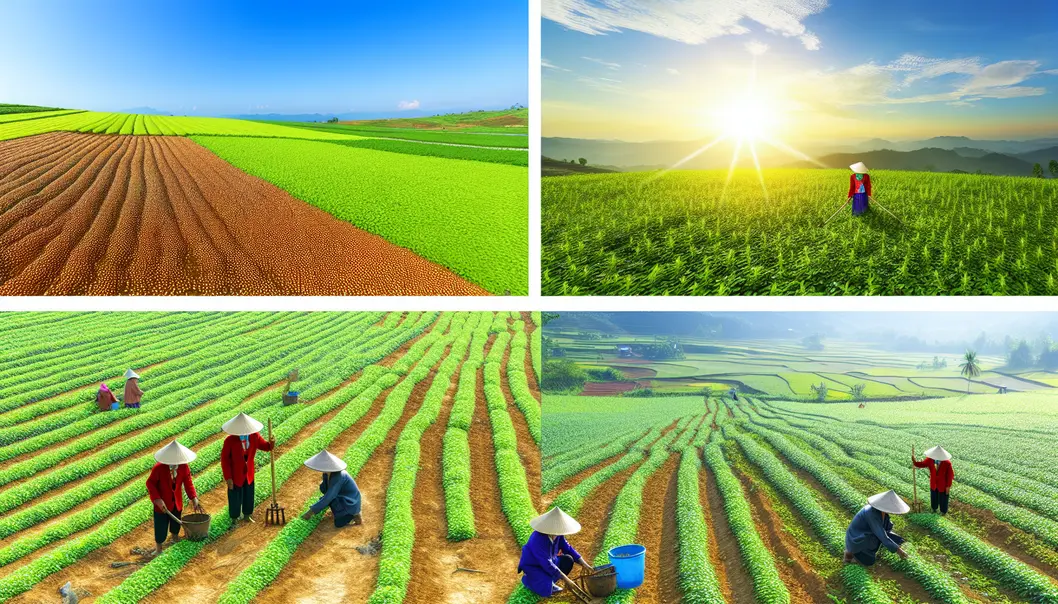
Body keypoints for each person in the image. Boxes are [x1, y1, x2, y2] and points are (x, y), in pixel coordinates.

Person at [517, 507, 594, 597]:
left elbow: (568, 548)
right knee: (545, 589)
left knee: (567, 560)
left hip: (551, 561)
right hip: (534, 566)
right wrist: (566, 579)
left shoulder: (558, 535)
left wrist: (584, 564)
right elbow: (546, 563)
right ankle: (529, 580)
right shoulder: (537, 539)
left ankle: (550, 581)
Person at [146, 441, 202, 556]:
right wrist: (157, 499)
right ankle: (159, 548)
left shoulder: (183, 467)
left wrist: (193, 497)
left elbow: (188, 482)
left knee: (175, 521)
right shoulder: (159, 468)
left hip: (176, 501)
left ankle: (175, 538)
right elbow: (150, 483)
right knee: (161, 525)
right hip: (162, 504)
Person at [220, 412, 274, 524]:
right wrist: (228, 477)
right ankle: (234, 518)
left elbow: (265, 446)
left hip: (249, 472)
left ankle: (247, 515)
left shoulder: (254, 436)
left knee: (248, 494)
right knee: (235, 496)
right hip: (235, 474)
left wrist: (271, 444)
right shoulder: (230, 441)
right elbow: (225, 460)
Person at [844, 490, 910, 566]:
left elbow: (886, 528)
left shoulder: (882, 513)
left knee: (898, 539)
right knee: (869, 561)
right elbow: (882, 535)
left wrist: (896, 542)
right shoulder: (871, 513)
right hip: (858, 538)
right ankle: (851, 553)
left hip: (869, 534)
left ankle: (857, 552)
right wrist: (900, 551)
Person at [300, 450, 362, 527]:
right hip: (341, 496)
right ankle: (343, 511)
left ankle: (355, 514)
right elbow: (325, 490)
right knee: (327, 497)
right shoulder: (327, 473)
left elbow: (329, 497)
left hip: (350, 502)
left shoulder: (338, 476)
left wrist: (310, 512)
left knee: (339, 524)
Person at [913, 446, 954, 515]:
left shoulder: (947, 463)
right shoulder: (930, 460)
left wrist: (948, 486)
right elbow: (923, 464)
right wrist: (915, 462)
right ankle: (934, 509)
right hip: (934, 483)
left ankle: (943, 511)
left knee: (943, 498)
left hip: (942, 485)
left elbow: (950, 476)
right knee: (934, 496)